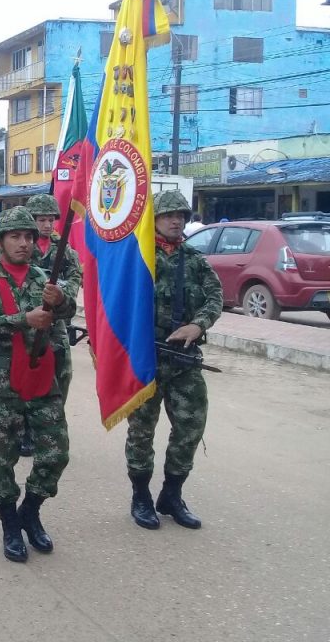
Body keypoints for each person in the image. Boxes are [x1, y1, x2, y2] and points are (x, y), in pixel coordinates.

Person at [0, 206, 73, 563]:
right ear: (0, 242)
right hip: (1, 385)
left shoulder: (45, 278)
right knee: (3, 459)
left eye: (29, 237)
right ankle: (10, 524)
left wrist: (62, 301)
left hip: (44, 380)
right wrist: (24, 319)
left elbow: (67, 311)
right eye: (16, 237)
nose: (24, 243)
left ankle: (31, 510)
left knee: (56, 454)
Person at [126, 190, 223, 531]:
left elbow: (216, 297)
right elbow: (115, 300)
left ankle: (171, 494)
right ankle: (140, 496)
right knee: (141, 432)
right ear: (154, 219)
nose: (176, 219)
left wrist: (198, 324)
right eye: (168, 214)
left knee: (190, 428)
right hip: (145, 360)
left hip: (184, 361)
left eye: (181, 214)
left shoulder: (195, 260)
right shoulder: (137, 257)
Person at [0, 194, 81, 457]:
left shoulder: (63, 249)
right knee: (16, 377)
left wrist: (62, 296)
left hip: (52, 324)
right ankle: (25, 426)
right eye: (42, 219)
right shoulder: (9, 243)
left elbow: (74, 276)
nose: (47, 225)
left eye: (51, 219)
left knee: (60, 373)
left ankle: (48, 422)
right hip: (16, 323)